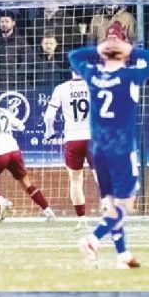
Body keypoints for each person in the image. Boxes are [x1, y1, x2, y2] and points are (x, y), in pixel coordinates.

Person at [67, 28, 149, 269]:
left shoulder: (92, 74)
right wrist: (130, 50)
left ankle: (123, 254)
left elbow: (74, 56)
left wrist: (99, 50)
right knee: (126, 204)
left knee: (112, 203)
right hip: (121, 149)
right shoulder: (129, 76)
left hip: (99, 148)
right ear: (123, 51)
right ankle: (93, 238)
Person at [0, 91, 55, 218]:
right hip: (14, 151)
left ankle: (3, 202)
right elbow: (21, 126)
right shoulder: (3, 111)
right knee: (26, 183)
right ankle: (48, 211)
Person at [43, 63, 94, 221]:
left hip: (73, 137)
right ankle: (109, 211)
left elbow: (49, 116)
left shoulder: (61, 88)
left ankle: (81, 219)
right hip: (94, 136)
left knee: (75, 179)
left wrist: (49, 132)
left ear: (71, 70)